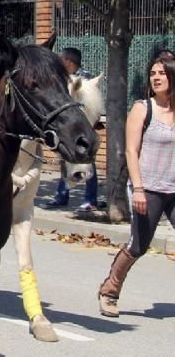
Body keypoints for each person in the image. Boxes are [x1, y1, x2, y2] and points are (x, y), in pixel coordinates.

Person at [98, 53, 175, 317]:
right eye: (153, 73)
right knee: (138, 246)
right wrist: (138, 189)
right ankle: (109, 292)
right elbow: (131, 151)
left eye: (161, 73)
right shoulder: (144, 108)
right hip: (148, 188)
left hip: (173, 188)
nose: (156, 78)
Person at [46, 47, 99, 211]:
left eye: (61, 60)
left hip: (84, 128)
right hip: (67, 127)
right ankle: (61, 196)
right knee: (65, 158)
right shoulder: (62, 79)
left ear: (68, 61)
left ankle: (91, 199)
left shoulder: (86, 78)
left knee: (89, 162)